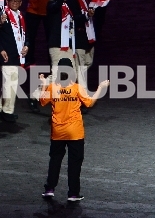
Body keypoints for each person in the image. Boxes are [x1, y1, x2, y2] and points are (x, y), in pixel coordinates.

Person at [39, 59, 109, 202]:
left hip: (58, 132)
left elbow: (42, 101)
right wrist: (101, 87)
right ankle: (73, 193)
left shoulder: (53, 87)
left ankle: (49, 189)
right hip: (75, 132)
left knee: (55, 160)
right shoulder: (76, 88)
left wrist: (44, 84)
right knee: (74, 163)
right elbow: (89, 103)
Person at [0, 0, 29, 121]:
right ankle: (8, 112)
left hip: (17, 54)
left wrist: (26, 46)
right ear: (7, 1)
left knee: (10, 83)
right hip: (5, 55)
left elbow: (26, 35)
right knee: (10, 84)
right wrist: (0, 23)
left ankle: (0, 109)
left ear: (21, 2)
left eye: (17, 1)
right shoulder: (2, 15)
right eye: (12, 0)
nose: (15, 3)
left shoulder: (21, 16)